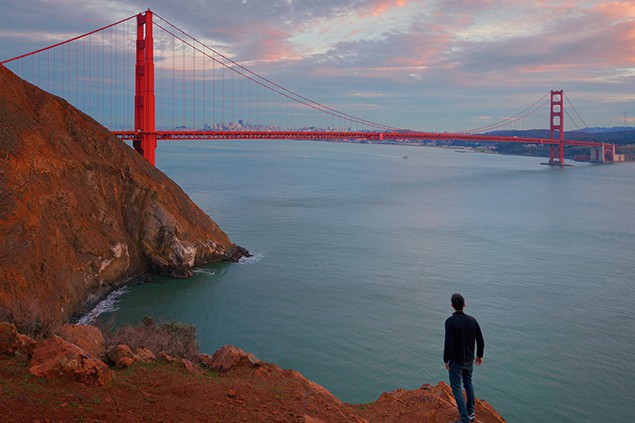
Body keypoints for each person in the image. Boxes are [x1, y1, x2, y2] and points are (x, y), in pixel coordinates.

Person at [444, 293, 485, 423]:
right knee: (468, 384)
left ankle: (464, 419)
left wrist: (446, 359)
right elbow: (481, 340)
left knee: (456, 387)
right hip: (469, 359)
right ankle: (471, 413)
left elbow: (448, 343)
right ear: (465, 304)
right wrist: (479, 355)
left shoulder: (450, 322)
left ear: (452, 306)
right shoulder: (472, 320)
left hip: (456, 361)